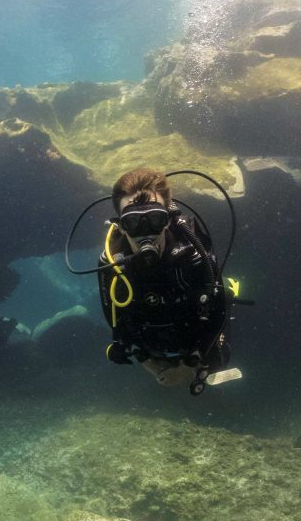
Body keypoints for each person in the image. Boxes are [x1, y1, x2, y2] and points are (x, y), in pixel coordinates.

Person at [97, 168, 233, 394]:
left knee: (220, 360)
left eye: (155, 219)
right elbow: (115, 320)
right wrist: (147, 363)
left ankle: (232, 284)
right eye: (133, 222)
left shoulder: (192, 255)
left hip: (191, 330)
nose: (145, 233)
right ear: (120, 225)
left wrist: (188, 366)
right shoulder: (111, 263)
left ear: (168, 221)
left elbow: (217, 313)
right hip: (151, 338)